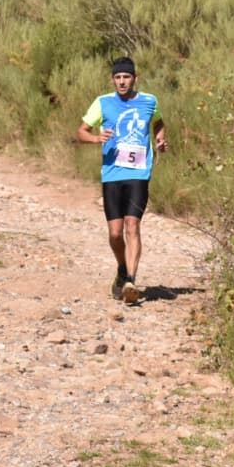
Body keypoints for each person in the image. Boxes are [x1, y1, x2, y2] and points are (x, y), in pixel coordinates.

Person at [75, 56, 166, 305]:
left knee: (132, 225)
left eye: (126, 77)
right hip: (112, 174)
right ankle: (122, 268)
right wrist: (96, 139)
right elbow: (81, 132)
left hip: (139, 173)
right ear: (113, 80)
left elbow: (158, 121)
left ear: (135, 78)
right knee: (115, 234)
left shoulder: (149, 101)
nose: (122, 81)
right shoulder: (103, 103)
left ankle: (130, 282)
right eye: (118, 77)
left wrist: (159, 139)